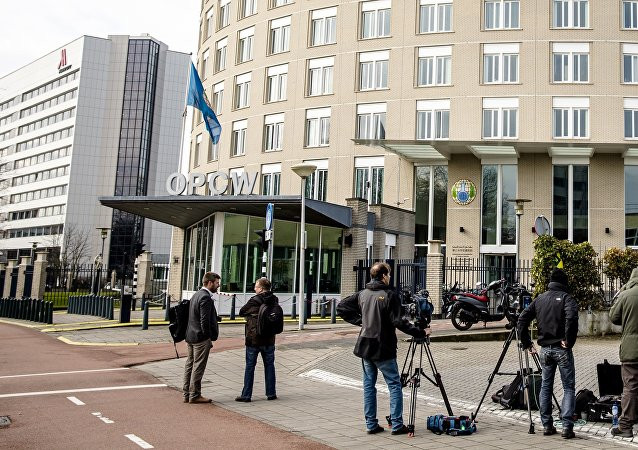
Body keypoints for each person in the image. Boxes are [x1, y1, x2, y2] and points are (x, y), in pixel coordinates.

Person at [337, 262, 428, 435]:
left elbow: (341, 307)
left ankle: (371, 424)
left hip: (365, 346)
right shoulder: (389, 295)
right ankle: (397, 424)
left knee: (368, 386)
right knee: (394, 384)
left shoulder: (362, 294)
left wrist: (361, 321)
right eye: (389, 274)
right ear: (384, 276)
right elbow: (399, 322)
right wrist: (420, 332)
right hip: (383, 346)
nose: (390, 277)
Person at [517, 268, 578, 439]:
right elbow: (572, 318)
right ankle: (567, 427)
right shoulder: (567, 298)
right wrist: (569, 340)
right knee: (568, 387)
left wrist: (527, 343)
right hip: (562, 348)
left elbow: (522, 319)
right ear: (564, 282)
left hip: (544, 349)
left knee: (545, 386)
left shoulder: (540, 298)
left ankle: (547, 425)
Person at [235, 277, 279, 402]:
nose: (254, 288)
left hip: (254, 339)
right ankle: (271, 393)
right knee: (269, 366)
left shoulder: (254, 300)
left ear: (260, 289)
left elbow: (242, 312)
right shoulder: (274, 300)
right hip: (269, 338)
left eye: (256, 286)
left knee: (250, 367)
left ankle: (246, 395)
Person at [182, 272, 220, 404]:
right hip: (200, 338)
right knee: (198, 366)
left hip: (190, 335)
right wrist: (207, 337)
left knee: (190, 364)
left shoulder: (196, 295)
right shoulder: (205, 298)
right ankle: (195, 395)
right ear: (209, 283)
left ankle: (186, 393)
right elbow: (204, 320)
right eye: (216, 283)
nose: (218, 285)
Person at [609, 267, 638, 438]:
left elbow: (613, 317)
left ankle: (625, 426)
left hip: (631, 351)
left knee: (630, 387)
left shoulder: (626, 295)